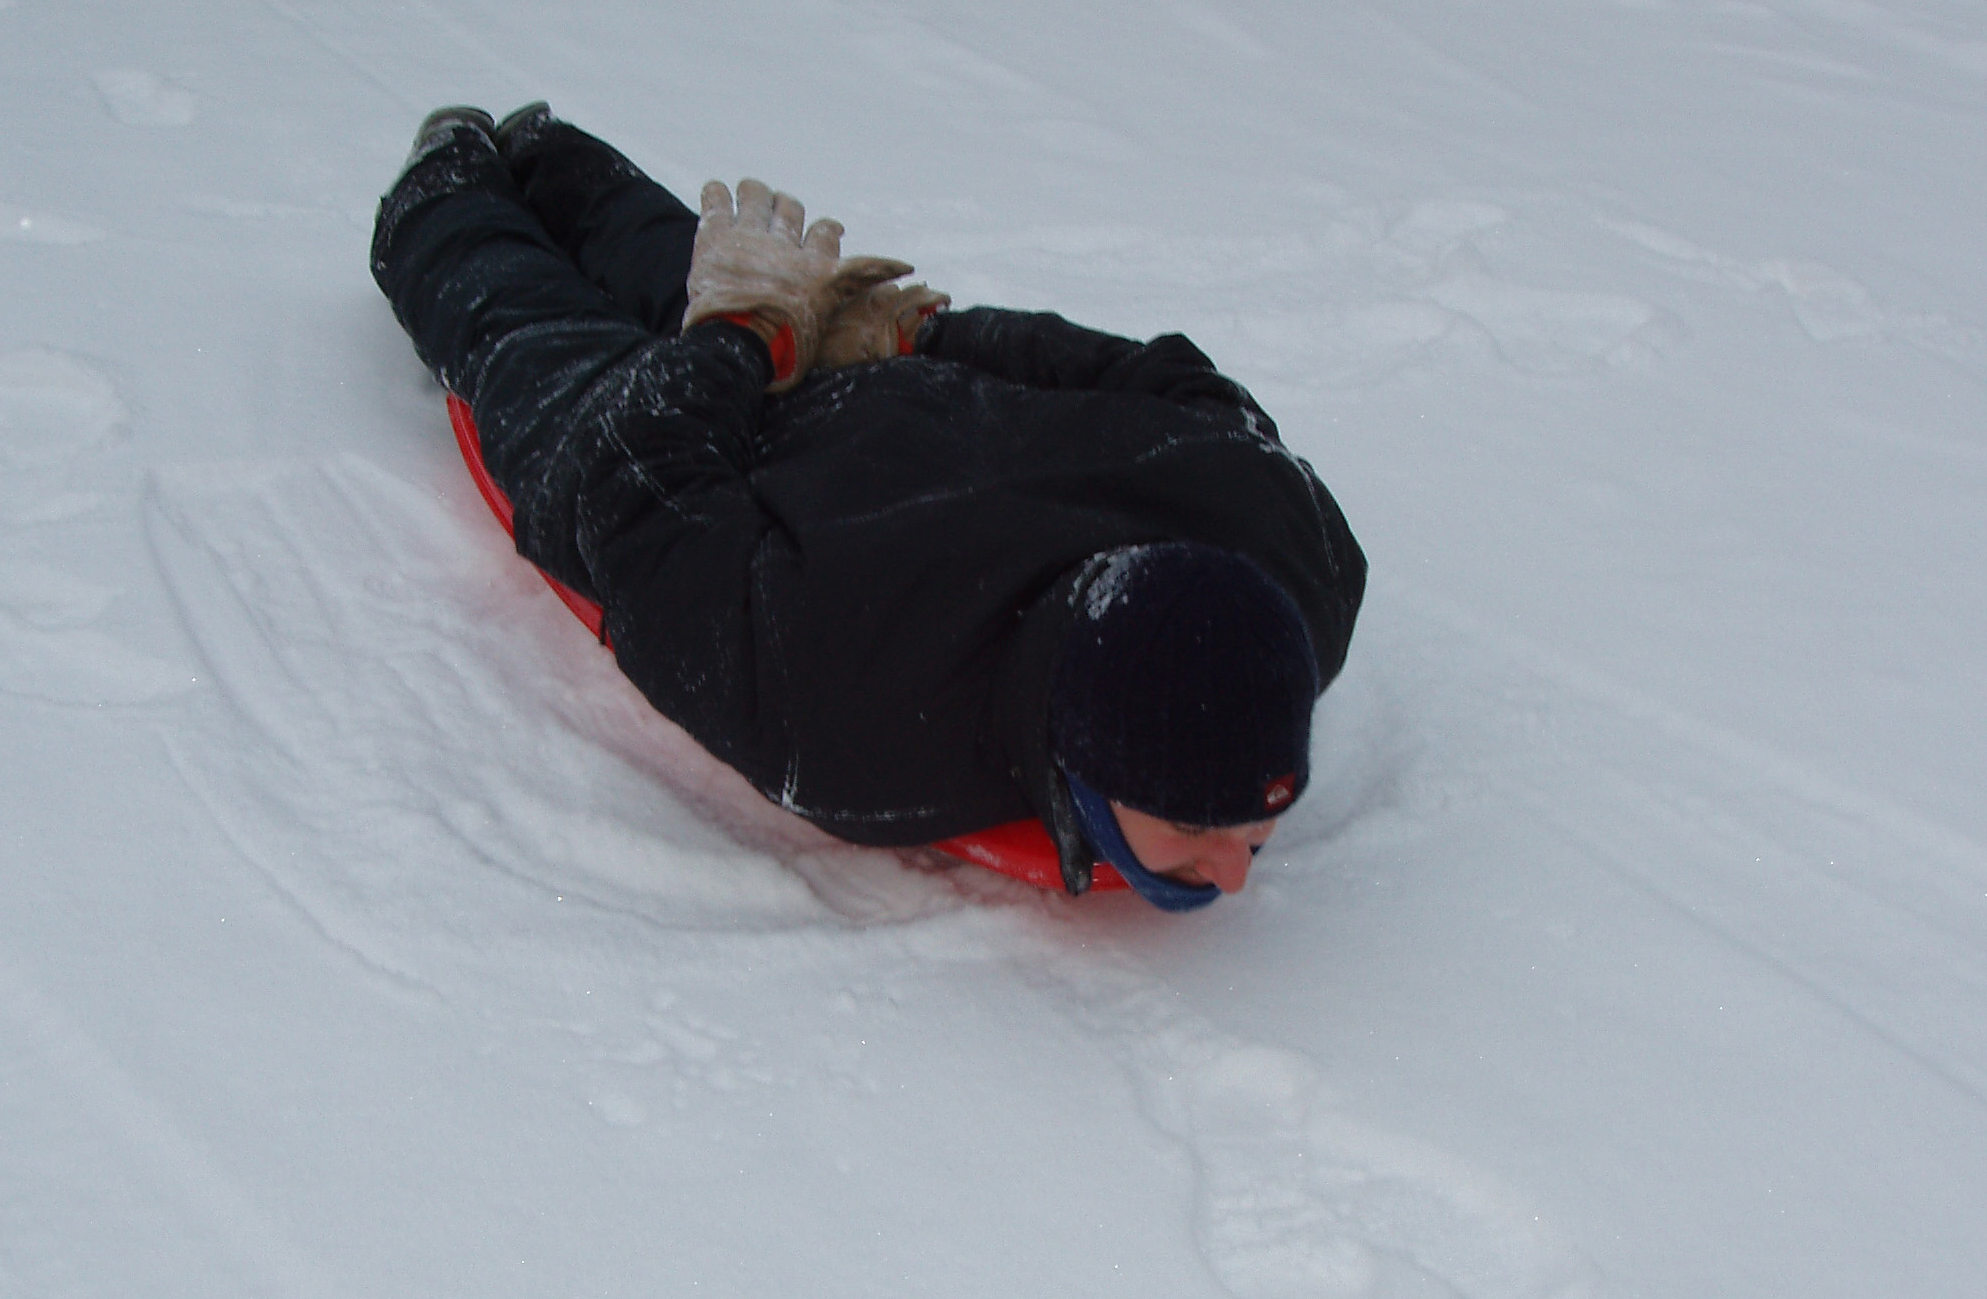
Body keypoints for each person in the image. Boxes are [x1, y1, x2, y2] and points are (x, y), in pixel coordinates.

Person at [369, 105, 1366, 908]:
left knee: (702, 283)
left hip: (827, 445)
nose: (1238, 874)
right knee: (521, 322)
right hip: (726, 469)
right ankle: (456, 175)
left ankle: (555, 171)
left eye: (1253, 828)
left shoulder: (1305, 557)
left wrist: (769, 336)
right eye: (1195, 826)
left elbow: (1182, 391)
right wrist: (888, 340)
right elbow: (626, 500)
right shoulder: (856, 712)